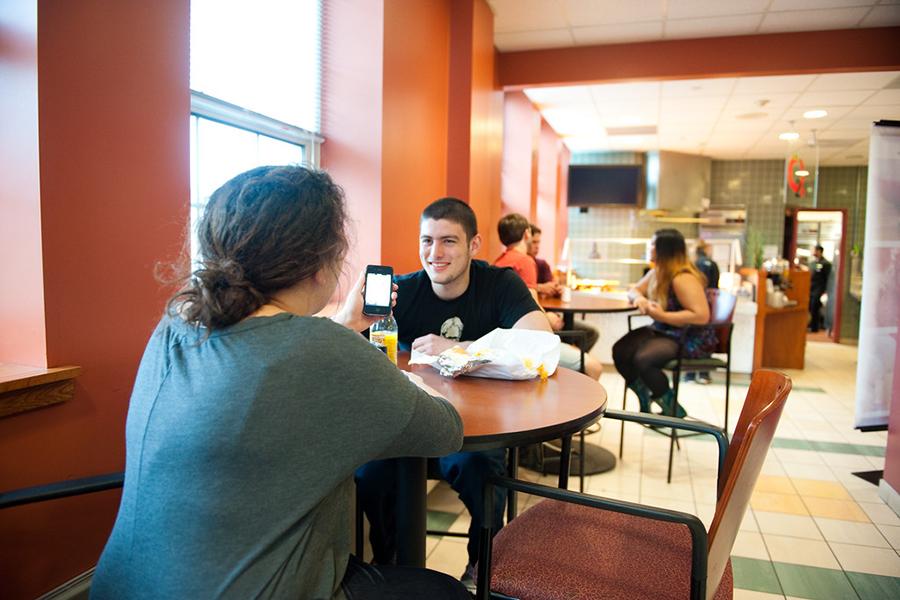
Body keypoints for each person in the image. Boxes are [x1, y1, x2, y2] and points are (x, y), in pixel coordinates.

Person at [91, 166, 470, 600]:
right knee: (445, 593)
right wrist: (411, 378)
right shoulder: (324, 351)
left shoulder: (176, 325)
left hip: (123, 587)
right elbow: (445, 431)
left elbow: (279, 364)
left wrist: (344, 325)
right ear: (321, 264)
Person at [355, 198, 552, 591]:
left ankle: (482, 561)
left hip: (474, 426)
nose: (435, 253)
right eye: (427, 240)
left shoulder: (499, 284)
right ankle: (390, 561)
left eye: (448, 241)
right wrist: (354, 319)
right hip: (409, 421)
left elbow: (540, 342)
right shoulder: (403, 291)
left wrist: (458, 350)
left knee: (478, 471)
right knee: (369, 471)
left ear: (474, 245)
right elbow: (346, 351)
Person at [612, 229, 713, 418]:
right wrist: (639, 299)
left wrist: (663, 316)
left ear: (664, 250)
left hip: (688, 336)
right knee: (620, 350)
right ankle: (644, 395)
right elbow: (634, 289)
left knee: (644, 359)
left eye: (653, 244)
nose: (649, 248)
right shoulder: (657, 272)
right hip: (665, 330)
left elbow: (701, 316)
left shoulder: (683, 278)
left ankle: (672, 406)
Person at [493, 214, 602, 378]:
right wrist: (548, 318)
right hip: (524, 342)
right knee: (594, 367)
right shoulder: (525, 261)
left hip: (503, 338)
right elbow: (531, 308)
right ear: (527, 234)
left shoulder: (498, 261)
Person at [528, 223, 600, 353]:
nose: (537, 246)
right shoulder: (523, 265)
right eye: (534, 242)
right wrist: (539, 288)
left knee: (591, 333)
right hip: (539, 318)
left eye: (539, 242)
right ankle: (573, 364)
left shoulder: (542, 265)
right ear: (525, 240)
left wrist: (557, 290)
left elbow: (553, 287)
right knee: (588, 333)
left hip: (552, 316)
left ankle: (574, 365)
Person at [685, 239, 720, 384]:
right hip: (710, 306)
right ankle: (704, 374)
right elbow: (715, 287)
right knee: (706, 337)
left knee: (691, 336)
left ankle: (690, 375)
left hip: (694, 304)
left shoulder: (692, 265)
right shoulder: (713, 264)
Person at [808, 244, 831, 333]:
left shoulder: (825, 264)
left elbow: (827, 278)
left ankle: (815, 327)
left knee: (815, 307)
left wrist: (825, 290)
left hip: (819, 288)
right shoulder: (813, 263)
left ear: (820, 251)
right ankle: (811, 325)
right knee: (811, 306)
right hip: (811, 288)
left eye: (816, 250)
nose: (814, 252)